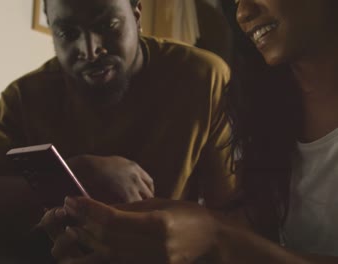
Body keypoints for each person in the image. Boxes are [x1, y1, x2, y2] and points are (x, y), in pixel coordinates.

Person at [0, 0, 237, 263]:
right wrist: (78, 172)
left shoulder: (201, 78)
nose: (89, 49)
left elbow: (233, 212)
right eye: (67, 33)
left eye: (108, 25)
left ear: (137, 16)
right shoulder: (25, 96)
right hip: (45, 251)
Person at [44, 0, 338, 263]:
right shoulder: (258, 113)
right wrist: (139, 234)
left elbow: (234, 243)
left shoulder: (201, 75)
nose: (243, 12)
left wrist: (218, 241)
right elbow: (258, 234)